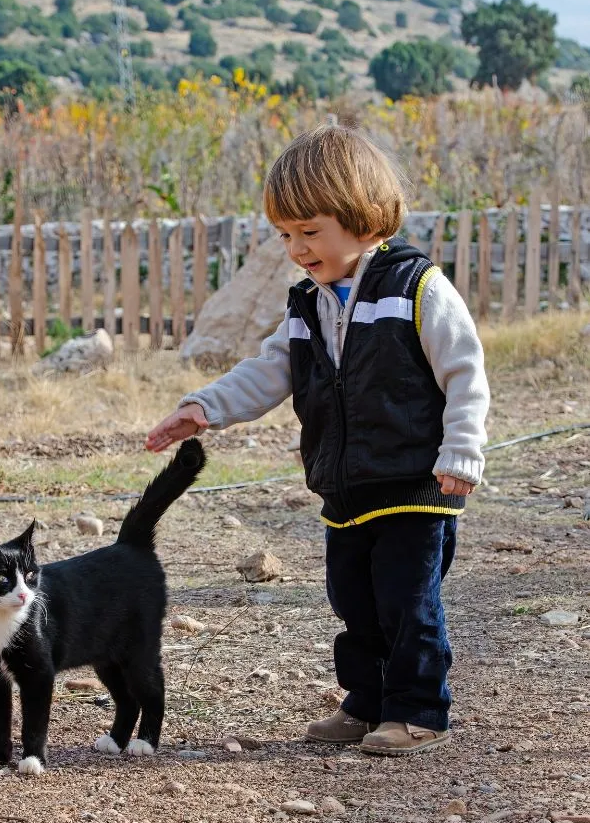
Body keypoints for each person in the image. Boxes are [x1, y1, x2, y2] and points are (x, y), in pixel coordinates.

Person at [146, 124, 490, 756]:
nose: (297, 248)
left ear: (363, 218)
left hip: (416, 481)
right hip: (344, 482)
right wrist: (204, 409)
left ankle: (418, 710)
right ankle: (364, 705)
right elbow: (270, 369)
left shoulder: (416, 289)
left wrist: (461, 451)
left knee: (406, 603)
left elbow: (464, 371)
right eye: (286, 234)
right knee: (353, 601)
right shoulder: (308, 304)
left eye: (311, 231)